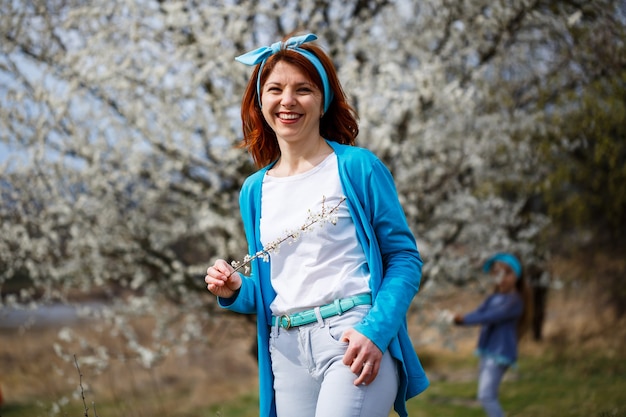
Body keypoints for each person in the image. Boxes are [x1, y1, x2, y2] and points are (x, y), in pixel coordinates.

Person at [204, 32, 429, 417]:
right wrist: (237, 288)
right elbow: (281, 288)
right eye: (275, 89)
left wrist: (375, 331)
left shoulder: (357, 168)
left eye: (303, 89)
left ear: (322, 99)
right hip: (286, 351)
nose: (287, 101)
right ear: (260, 101)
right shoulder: (254, 190)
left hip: (350, 337)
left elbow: (404, 260)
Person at [453, 252, 532, 417]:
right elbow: (479, 312)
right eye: (497, 272)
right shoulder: (493, 298)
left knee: (486, 396)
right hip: (488, 350)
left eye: (507, 272)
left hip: (500, 353)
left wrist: (465, 319)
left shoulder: (514, 301)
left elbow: (490, 316)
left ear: (517, 275)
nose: (501, 277)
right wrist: (460, 319)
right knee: (488, 395)